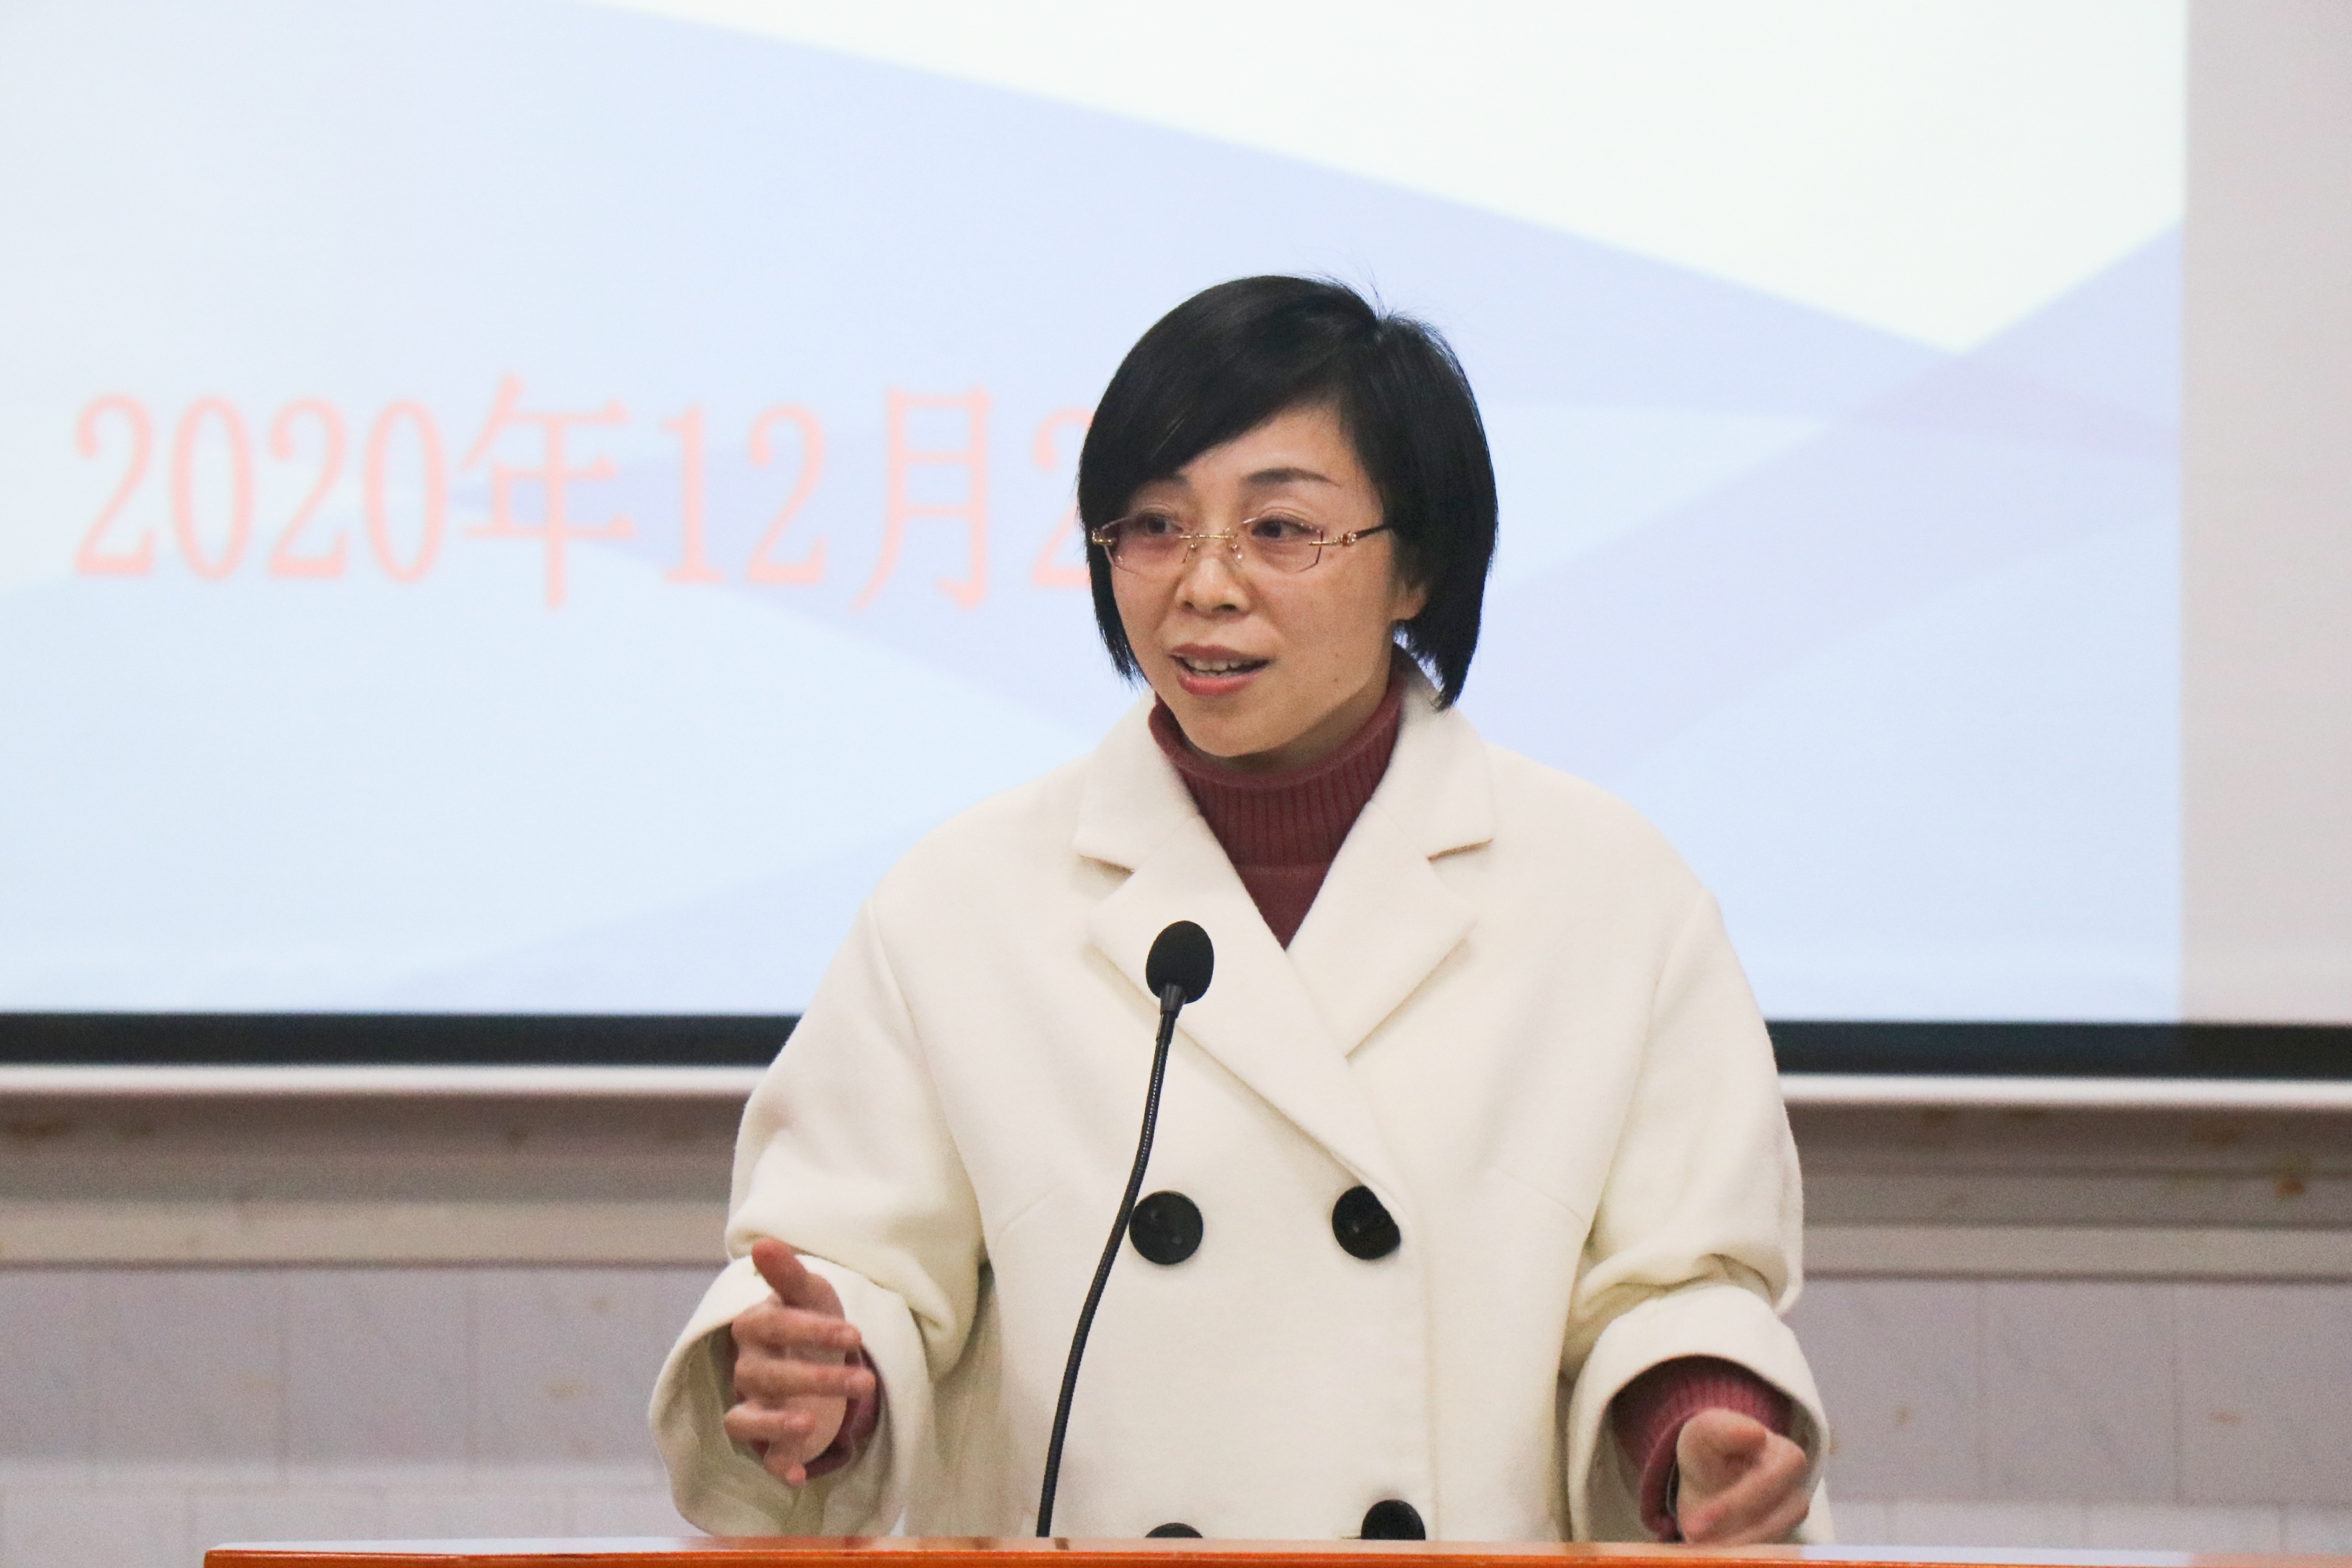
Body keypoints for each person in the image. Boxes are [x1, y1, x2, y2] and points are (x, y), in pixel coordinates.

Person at [650, 276, 1831, 1544]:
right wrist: (822, 1378)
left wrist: (1697, 1427)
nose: (1204, 586)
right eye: (1156, 527)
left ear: (1419, 565)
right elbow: (851, 1263)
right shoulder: (963, 901)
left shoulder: (1609, 894)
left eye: (1279, 530)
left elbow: (1678, 1285)